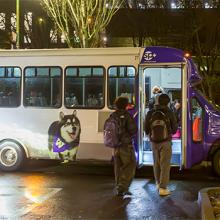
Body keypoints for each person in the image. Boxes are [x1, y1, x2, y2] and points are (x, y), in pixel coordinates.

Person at [144, 93, 178, 196]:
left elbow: (146, 128)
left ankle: (158, 184)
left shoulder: (150, 112)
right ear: (168, 102)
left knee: (156, 163)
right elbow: (175, 128)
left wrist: (151, 135)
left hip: (154, 142)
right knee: (165, 164)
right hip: (166, 142)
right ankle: (163, 188)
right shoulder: (169, 112)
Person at [111, 96, 137, 197]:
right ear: (126, 105)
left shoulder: (112, 115)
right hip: (126, 146)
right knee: (130, 165)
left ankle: (119, 188)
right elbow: (133, 130)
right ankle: (123, 187)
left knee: (118, 167)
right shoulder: (127, 116)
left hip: (115, 146)